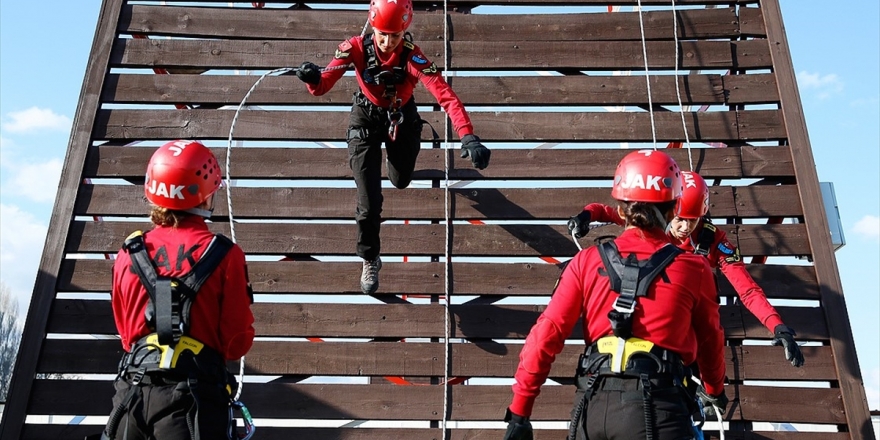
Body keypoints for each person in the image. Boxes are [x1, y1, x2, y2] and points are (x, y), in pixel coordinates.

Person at [503, 150, 727, 440]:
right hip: (660, 410)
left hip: (594, 409)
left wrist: (520, 413)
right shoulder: (694, 268)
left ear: (621, 210)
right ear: (674, 209)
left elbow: (546, 334)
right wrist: (714, 391)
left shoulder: (585, 262)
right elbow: (710, 340)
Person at [294, 0, 491, 295]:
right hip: (365, 120)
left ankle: (396, 161)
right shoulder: (355, 48)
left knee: (401, 180)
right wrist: (311, 78)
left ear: (405, 31)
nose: (387, 42)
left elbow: (445, 96)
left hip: (402, 116)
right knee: (368, 202)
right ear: (372, 26)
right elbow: (322, 86)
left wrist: (468, 135)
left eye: (395, 36)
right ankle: (370, 257)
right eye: (382, 34)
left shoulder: (414, 57)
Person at [98, 140, 256, 440]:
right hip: (192, 405)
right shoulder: (224, 255)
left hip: (131, 398)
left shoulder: (129, 252)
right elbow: (237, 343)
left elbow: (127, 335)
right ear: (207, 193)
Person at [568, 170, 805, 368]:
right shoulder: (653, 219)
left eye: (692, 220)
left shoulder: (713, 241)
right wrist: (585, 216)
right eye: (679, 219)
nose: (683, 227)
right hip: (643, 317)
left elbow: (747, 289)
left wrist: (777, 326)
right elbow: (606, 211)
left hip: (685, 328)